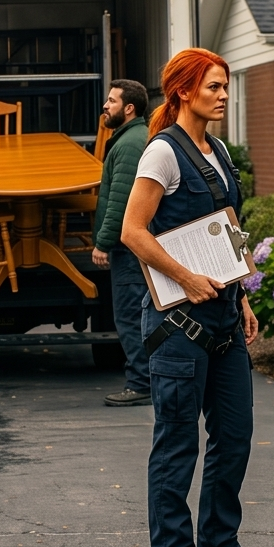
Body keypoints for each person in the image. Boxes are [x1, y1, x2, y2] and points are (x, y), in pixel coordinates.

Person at [121, 48, 274, 547]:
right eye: (214, 86)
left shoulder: (220, 151)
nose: (224, 95)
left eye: (226, 86)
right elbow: (132, 231)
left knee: (234, 437)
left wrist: (244, 296)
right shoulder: (161, 153)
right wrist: (186, 278)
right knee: (177, 443)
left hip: (226, 318)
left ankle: (218, 545)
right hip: (178, 327)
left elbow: (227, 225)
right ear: (184, 91)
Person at [91, 79, 153, 407]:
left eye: (112, 101)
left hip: (128, 249)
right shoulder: (131, 138)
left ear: (129, 108)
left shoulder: (129, 144)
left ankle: (140, 383)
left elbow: (121, 201)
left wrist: (103, 242)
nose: (106, 106)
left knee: (130, 315)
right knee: (139, 313)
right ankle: (147, 379)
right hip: (136, 245)